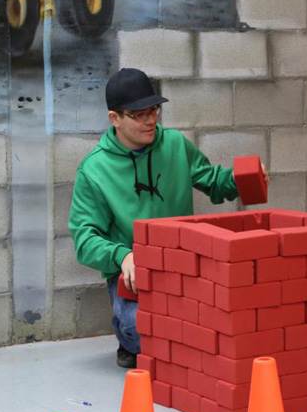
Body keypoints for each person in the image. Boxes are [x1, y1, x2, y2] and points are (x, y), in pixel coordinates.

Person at [68, 68, 269, 368]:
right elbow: (85, 241)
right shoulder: (93, 171)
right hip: (134, 273)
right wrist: (122, 256)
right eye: (138, 114)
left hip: (185, 264)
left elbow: (212, 180)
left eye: (154, 110)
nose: (150, 120)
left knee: (222, 328)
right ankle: (126, 333)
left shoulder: (175, 144)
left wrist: (241, 179)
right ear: (115, 119)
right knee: (144, 333)